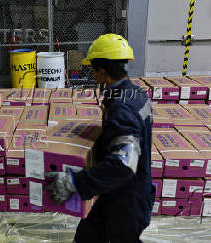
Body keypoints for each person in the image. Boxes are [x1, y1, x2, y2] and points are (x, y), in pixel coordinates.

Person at [45, 34, 154, 242]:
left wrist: (74, 182)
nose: (92, 75)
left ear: (102, 72)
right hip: (119, 192)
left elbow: (123, 165)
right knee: (87, 236)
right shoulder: (136, 94)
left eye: (93, 70)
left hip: (127, 202)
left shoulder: (121, 107)